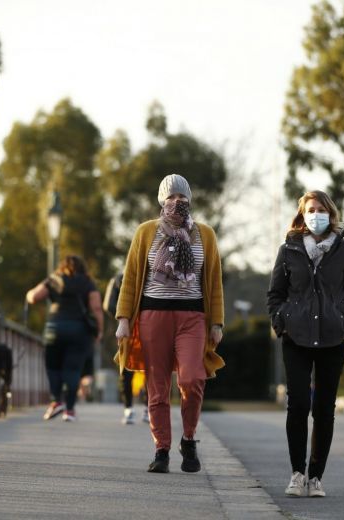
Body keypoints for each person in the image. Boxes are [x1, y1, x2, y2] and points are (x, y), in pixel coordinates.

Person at [115, 174, 225, 473]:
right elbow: (131, 278)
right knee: (157, 388)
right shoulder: (145, 232)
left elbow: (214, 282)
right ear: (162, 201)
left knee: (192, 379)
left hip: (193, 318)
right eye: (171, 197)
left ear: (190, 200)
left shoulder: (205, 234)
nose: (177, 201)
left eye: (182, 197)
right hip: (153, 316)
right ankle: (161, 449)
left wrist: (217, 322)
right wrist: (124, 319)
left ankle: (188, 438)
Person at [267, 190, 344, 497]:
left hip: (333, 339)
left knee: (324, 409)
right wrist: (281, 321)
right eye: (310, 209)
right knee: (298, 405)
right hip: (295, 338)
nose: (316, 214)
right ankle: (297, 474)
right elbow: (275, 294)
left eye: (321, 209)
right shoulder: (289, 250)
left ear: (331, 214)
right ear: (302, 214)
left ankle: (316, 477)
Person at [26, 255, 103, 422]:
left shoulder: (54, 279)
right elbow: (96, 307)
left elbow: (33, 297)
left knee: (53, 367)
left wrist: (38, 288)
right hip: (79, 330)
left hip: (55, 327)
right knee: (73, 370)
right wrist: (99, 331)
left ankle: (56, 401)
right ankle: (69, 410)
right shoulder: (88, 282)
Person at [103, 272, 149, 425]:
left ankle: (128, 409)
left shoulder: (118, 278)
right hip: (151, 325)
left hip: (127, 327)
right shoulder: (154, 274)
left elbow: (108, 305)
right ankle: (148, 408)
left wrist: (122, 316)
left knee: (126, 369)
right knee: (152, 368)